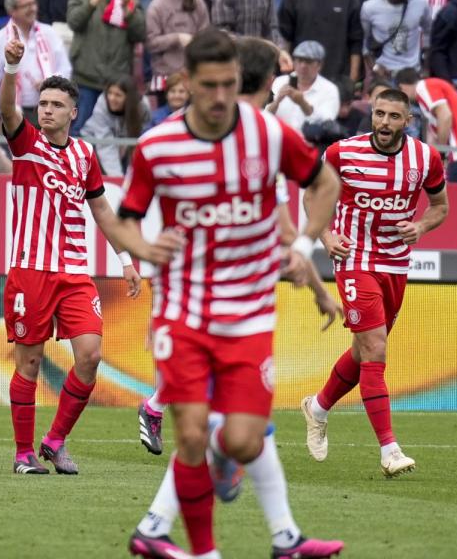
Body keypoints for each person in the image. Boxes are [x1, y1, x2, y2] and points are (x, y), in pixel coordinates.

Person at [117, 29, 343, 558]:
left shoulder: (268, 134)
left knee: (242, 441)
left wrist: (306, 250)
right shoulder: (158, 146)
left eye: (229, 84)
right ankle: (205, 551)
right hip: (183, 314)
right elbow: (125, 220)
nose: (221, 98)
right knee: (191, 434)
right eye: (209, 86)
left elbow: (324, 183)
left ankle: (173, 522)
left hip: (249, 316)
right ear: (186, 84)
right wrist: (146, 249)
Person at [0, 33, 142, 476]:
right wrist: (10, 69)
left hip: (75, 272)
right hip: (30, 271)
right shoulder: (25, 144)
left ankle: (55, 440)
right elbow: (7, 111)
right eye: (43, 103)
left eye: (56, 105)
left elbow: (101, 209)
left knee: (90, 355)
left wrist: (126, 259)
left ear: (73, 112)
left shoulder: (84, 153)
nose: (47, 110)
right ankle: (24, 454)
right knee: (30, 361)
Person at [301, 87, 450, 479]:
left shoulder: (425, 157)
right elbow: (312, 195)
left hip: (396, 265)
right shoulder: (342, 153)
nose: (384, 122)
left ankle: (316, 408)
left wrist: (419, 226)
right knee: (376, 348)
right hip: (353, 259)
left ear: (408, 120)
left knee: (363, 351)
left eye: (393, 116)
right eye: (379, 114)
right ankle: (390, 449)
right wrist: (327, 237)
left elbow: (441, 207)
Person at [66, 0, 147, 134]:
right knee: (78, 130)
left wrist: (130, 15)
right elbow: (74, 22)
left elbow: (141, 35)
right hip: (86, 79)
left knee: (116, 132)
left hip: (117, 82)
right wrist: (95, 0)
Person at [0, 0, 71, 120]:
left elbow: (66, 69)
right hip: (14, 113)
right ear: (12, 11)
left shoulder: (49, 33)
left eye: (34, 3)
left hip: (48, 110)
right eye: (26, 6)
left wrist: (49, 82)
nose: (33, 9)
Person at [396, 68, 457, 182]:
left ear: (402, 87)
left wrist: (441, 152)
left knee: (456, 199)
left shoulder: (424, 86)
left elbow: (445, 116)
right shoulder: (434, 89)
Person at [278, 0, 363, 83]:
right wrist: (287, 75)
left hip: (338, 79)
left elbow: (356, 41)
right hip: (300, 78)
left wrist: (352, 80)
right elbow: (284, 38)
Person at [80, 76, 150, 175]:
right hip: (94, 141)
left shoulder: (142, 107)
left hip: (123, 144)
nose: (112, 98)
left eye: (118, 95)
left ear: (129, 97)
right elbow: (105, 144)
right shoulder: (102, 104)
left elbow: (141, 139)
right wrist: (117, 178)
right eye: (110, 93)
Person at [360, 0, 430, 79]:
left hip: (413, 72)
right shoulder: (369, 7)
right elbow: (362, 41)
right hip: (384, 74)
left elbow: (428, 33)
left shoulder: (421, 3)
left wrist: (426, 67)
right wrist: (374, 67)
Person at [268, 41, 341, 132]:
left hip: (311, 142)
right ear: (294, 62)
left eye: (308, 62)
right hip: (280, 139)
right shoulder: (279, 82)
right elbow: (264, 115)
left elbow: (326, 124)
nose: (303, 65)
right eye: (299, 60)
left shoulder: (330, 89)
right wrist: (277, 101)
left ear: (319, 65)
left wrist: (302, 103)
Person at [145, 0, 209, 81]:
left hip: (194, 73)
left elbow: (206, 34)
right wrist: (177, 38)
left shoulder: (198, 1)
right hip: (166, 76)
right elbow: (150, 43)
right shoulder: (157, 6)